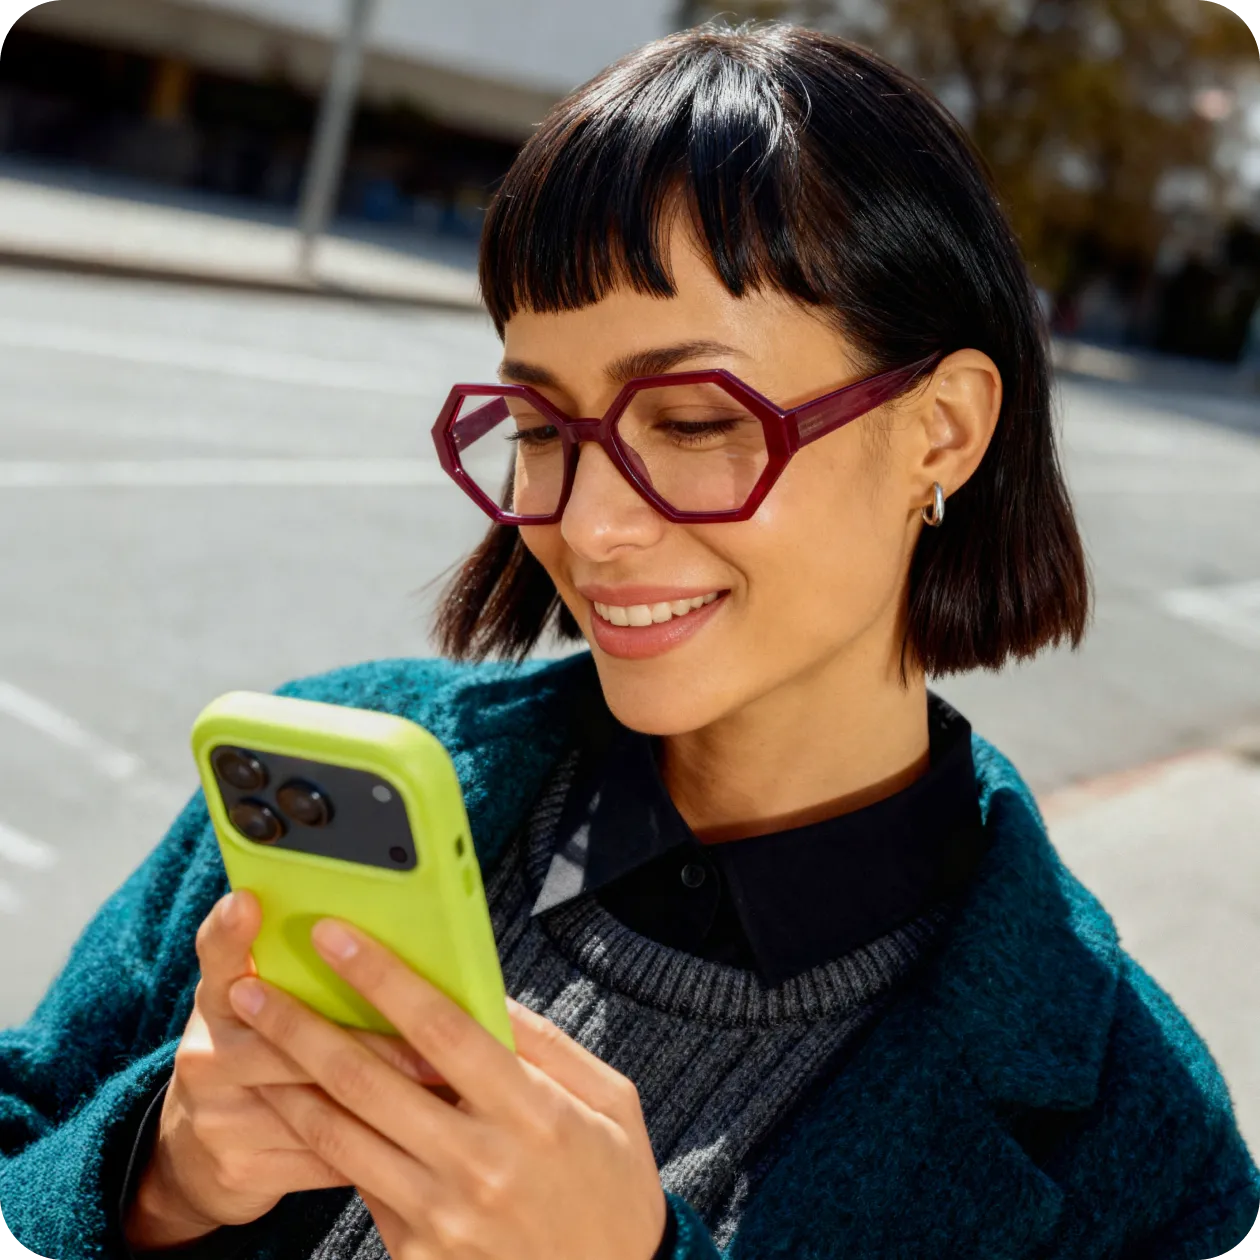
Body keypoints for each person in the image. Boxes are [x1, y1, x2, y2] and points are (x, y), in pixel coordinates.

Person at [2, 23, 1258, 1260]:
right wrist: (146, 1177)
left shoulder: (1141, 1145)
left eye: (700, 419)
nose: (591, 523)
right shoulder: (323, 792)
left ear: (943, 431)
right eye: (543, 426)